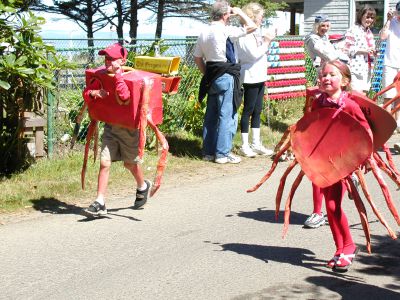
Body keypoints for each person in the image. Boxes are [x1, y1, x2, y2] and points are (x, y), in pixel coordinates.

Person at [312, 60, 371, 271]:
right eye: (324, 74)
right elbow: (311, 127)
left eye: (332, 75)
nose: (327, 78)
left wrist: (367, 157)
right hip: (324, 160)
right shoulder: (318, 102)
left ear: (344, 81)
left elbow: (365, 131)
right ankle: (340, 249)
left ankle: (349, 246)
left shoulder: (350, 104)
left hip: (343, 161)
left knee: (333, 205)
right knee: (330, 208)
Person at [82, 43, 151, 216]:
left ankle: (143, 185)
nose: (107, 62)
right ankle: (100, 201)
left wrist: (119, 76)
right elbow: (87, 91)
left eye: (112, 59)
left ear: (122, 60)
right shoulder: (101, 75)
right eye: (106, 59)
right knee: (105, 162)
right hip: (111, 126)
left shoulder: (126, 77)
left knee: (130, 163)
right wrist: (94, 93)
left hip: (128, 129)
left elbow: (125, 97)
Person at [194, 0, 257, 164]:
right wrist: (239, 12)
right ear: (224, 15)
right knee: (226, 114)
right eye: (228, 12)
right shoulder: (227, 30)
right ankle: (222, 153)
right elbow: (252, 26)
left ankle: (208, 152)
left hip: (212, 74)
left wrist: (207, 73)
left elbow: (197, 57)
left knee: (211, 115)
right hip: (227, 73)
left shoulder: (204, 32)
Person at [303, 15, 349, 229]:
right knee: (317, 160)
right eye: (322, 24)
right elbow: (330, 56)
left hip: (336, 89)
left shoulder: (328, 39)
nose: (325, 27)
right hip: (321, 91)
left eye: (328, 24)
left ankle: (349, 175)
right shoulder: (313, 39)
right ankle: (317, 211)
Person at [236, 2, 274, 158]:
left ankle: (256, 143)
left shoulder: (255, 33)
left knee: (257, 110)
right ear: (253, 15)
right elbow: (252, 54)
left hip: (259, 74)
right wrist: (266, 42)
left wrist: (265, 41)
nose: (262, 18)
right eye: (261, 15)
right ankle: (245, 145)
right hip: (250, 75)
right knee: (248, 110)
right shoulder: (244, 34)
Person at [344, 5, 377, 93]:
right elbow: (347, 49)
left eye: (372, 18)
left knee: (364, 96)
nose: (369, 20)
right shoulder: (353, 30)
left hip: (368, 68)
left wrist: (374, 52)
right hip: (355, 68)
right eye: (367, 17)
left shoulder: (369, 32)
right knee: (356, 95)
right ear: (361, 16)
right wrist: (365, 50)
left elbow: (370, 49)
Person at [380, 2, 400, 133]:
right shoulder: (391, 22)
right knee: (388, 94)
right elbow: (382, 36)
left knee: (399, 96)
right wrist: (388, 20)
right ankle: (388, 123)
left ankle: (397, 123)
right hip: (389, 62)